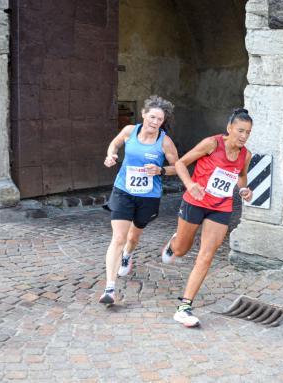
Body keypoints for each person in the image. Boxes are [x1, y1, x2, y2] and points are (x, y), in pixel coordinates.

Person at [161, 108, 254, 327]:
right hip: (195, 202)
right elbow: (181, 164)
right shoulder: (211, 144)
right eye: (240, 130)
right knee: (182, 249)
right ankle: (174, 243)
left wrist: (243, 190)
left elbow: (240, 176)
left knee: (206, 255)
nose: (244, 136)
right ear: (229, 128)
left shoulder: (245, 155)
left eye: (248, 132)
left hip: (221, 207)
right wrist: (190, 184)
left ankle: (184, 307)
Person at [99, 95, 179, 305]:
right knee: (118, 237)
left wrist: (160, 170)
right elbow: (114, 145)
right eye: (152, 117)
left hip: (147, 196)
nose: (154, 122)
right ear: (143, 114)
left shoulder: (165, 142)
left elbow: (178, 167)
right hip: (123, 191)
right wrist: (111, 156)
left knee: (133, 237)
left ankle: (128, 254)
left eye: (159, 119)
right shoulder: (129, 131)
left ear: (163, 122)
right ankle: (109, 288)